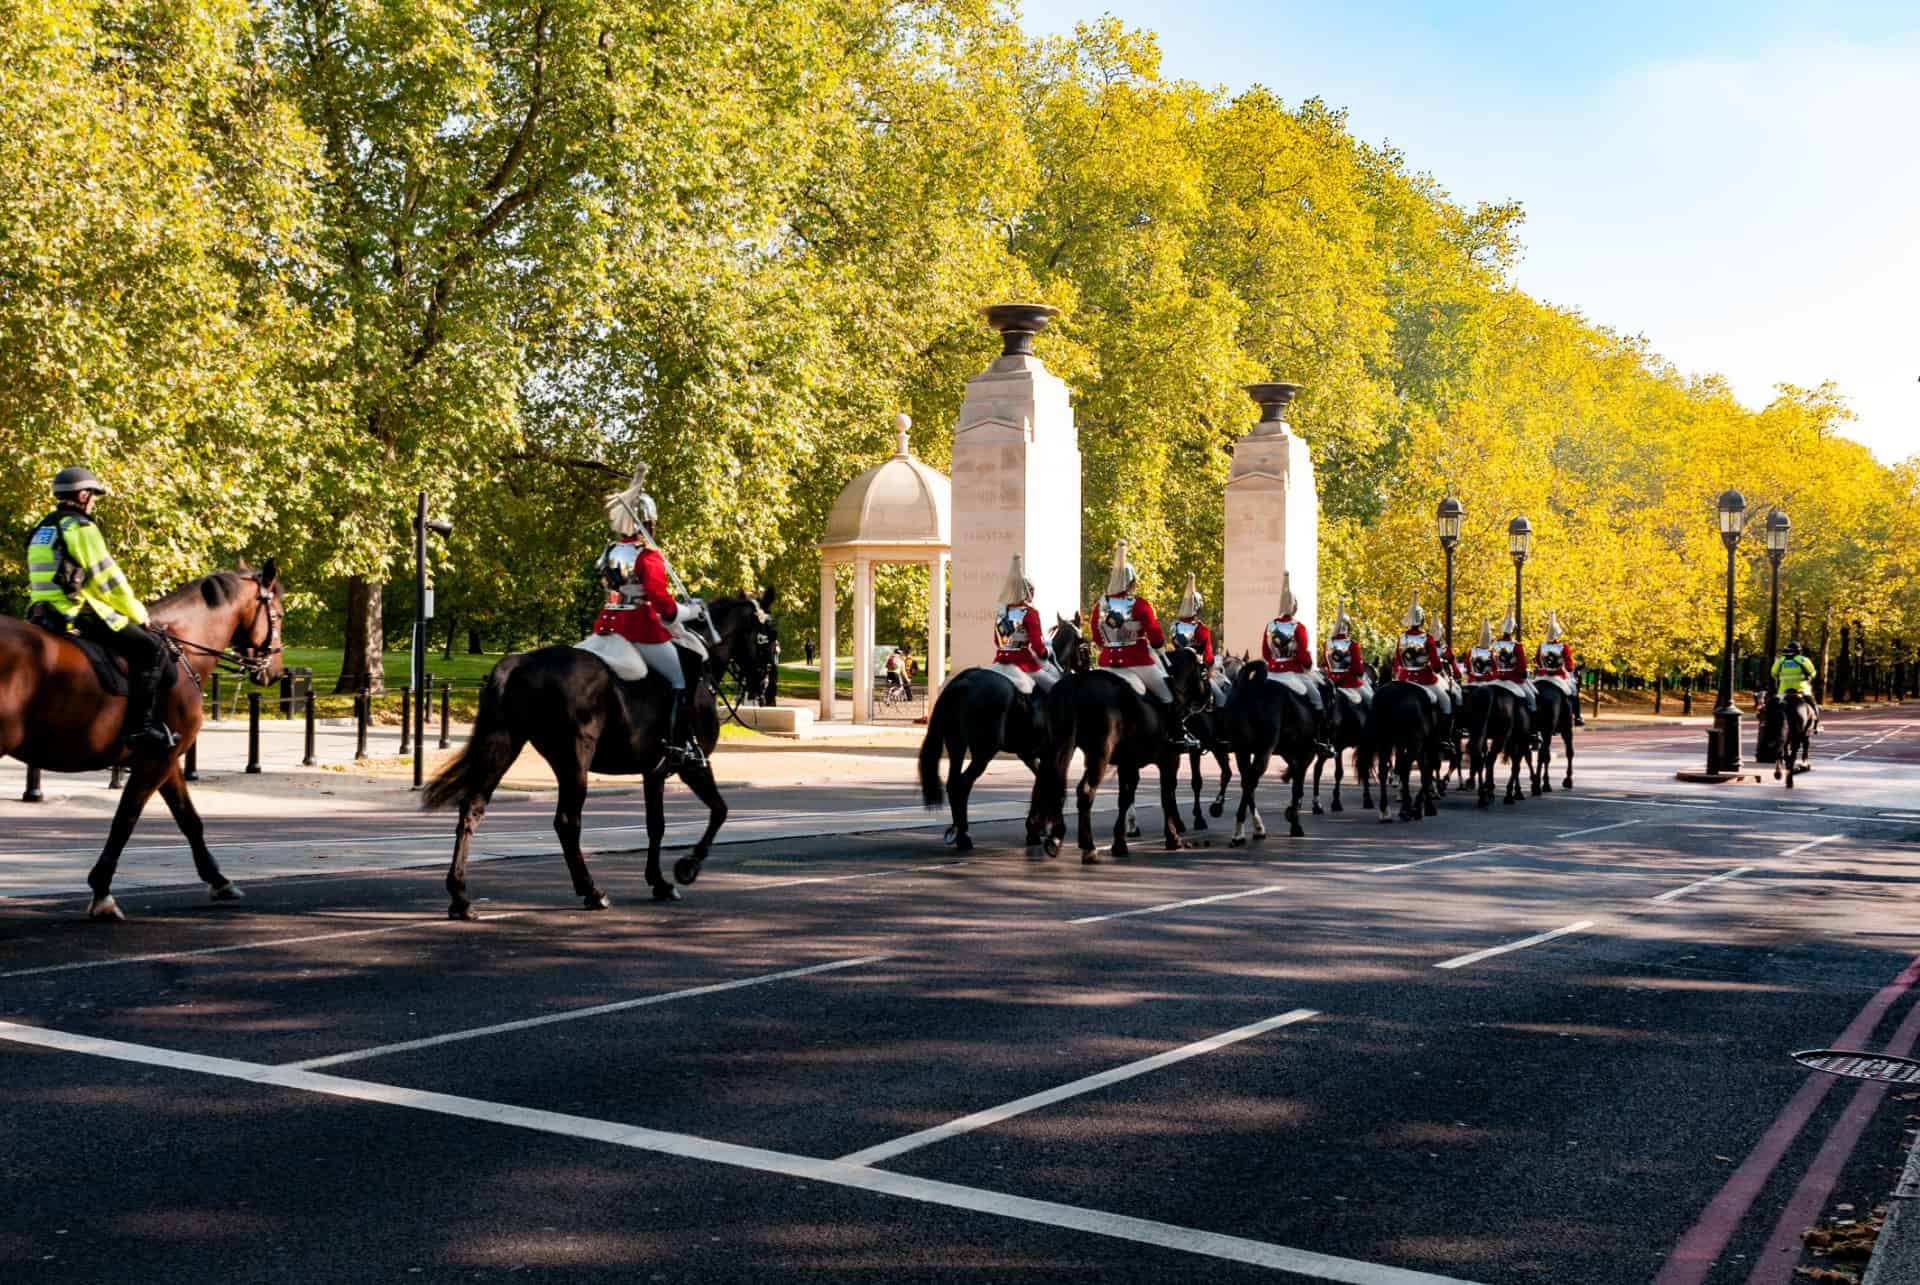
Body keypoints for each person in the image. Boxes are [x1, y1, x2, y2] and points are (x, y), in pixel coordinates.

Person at [25, 467, 177, 754]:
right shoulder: (80, 527)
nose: (93, 501)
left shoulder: (43, 528)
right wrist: (136, 612)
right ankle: (140, 729)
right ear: (82, 495)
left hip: (41, 611)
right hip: (76, 610)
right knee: (151, 649)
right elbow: (105, 578)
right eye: (93, 496)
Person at [596, 462, 703, 768]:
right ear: (650, 522)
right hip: (639, 628)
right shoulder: (648, 556)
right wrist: (692, 610)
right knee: (681, 679)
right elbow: (665, 608)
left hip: (608, 624)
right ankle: (679, 745)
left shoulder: (611, 551)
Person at [1095, 542, 1199, 751]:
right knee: (1167, 694)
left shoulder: (1101, 604)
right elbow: (1154, 633)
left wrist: (1109, 646)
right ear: (1132, 581)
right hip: (1137, 661)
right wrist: (1158, 645)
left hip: (1106, 662)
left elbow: (1097, 636)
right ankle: (1177, 734)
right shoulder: (1140, 604)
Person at [1262, 572, 1330, 750]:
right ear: (1294, 607)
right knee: (1317, 699)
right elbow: (1302, 655)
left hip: (1272, 672)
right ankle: (1320, 737)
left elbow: (1266, 652)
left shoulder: (1270, 626)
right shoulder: (1298, 627)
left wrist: (1275, 662)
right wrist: (1307, 664)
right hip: (1294, 673)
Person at [991, 555, 1060, 694]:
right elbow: (1037, 646)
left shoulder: (1001, 612)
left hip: (999, 662)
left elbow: (996, 641)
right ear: (1027, 592)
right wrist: (1046, 652)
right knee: (1056, 687)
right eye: (1031, 592)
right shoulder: (1029, 613)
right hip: (1022, 663)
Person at [1390, 595, 1453, 715]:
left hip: (1404, 679)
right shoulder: (1428, 639)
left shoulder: (1402, 638)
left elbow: (1398, 660)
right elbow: (1436, 665)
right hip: (1425, 679)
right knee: (1446, 702)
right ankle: (1445, 732)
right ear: (1422, 620)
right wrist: (1439, 669)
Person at [1535, 609, 1583, 725]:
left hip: (1542, 676)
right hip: (1559, 676)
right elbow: (1570, 666)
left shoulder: (1542, 646)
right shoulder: (1563, 647)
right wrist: (1568, 669)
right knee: (1573, 692)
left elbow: (1537, 660)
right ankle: (1576, 717)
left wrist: (1543, 667)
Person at [1492, 604, 1537, 714]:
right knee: (1531, 698)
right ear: (1513, 630)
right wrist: (1523, 674)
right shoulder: (1517, 646)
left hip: (1496, 679)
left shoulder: (1494, 645)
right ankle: (1534, 724)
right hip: (1514, 679)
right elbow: (1521, 666)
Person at [1322, 597, 1370, 696]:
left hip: (1331, 683)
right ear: (1348, 627)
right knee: (1370, 699)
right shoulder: (1352, 644)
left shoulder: (1328, 643)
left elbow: (1328, 664)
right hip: (1349, 683)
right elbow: (1358, 669)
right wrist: (1360, 673)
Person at [1773, 639, 1820, 733]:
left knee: (1774, 708)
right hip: (1801, 690)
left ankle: (1770, 726)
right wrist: (1809, 676)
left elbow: (1773, 673)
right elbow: (1812, 672)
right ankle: (1815, 725)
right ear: (1799, 651)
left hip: (1783, 691)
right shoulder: (1803, 660)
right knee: (1813, 705)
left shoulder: (1780, 661)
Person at [1170, 574, 1215, 668]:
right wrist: (1210, 665)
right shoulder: (1201, 629)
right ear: (1198, 608)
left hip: (1175, 663)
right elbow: (1208, 657)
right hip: (1194, 667)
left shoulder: (1174, 625)